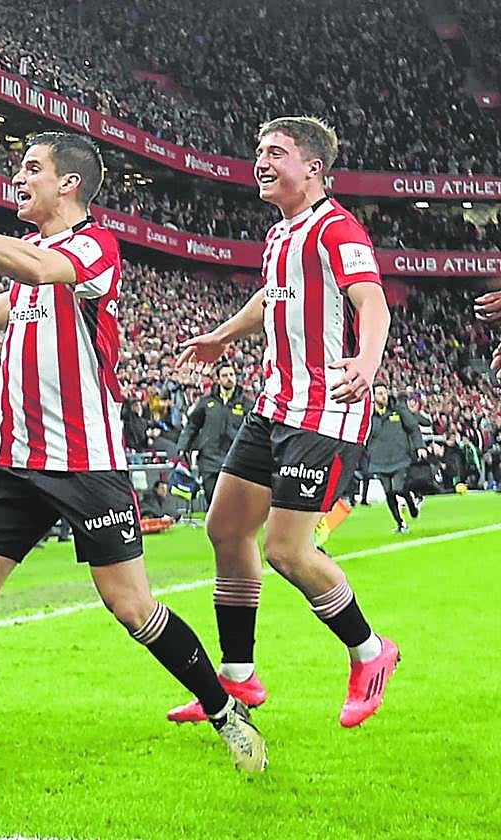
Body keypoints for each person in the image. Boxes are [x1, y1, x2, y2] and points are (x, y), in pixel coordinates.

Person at [0, 131, 266, 776]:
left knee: (131, 606)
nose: (18, 178)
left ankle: (223, 711)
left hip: (85, 461)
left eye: (30, 168)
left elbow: (44, 274)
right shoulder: (36, 251)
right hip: (15, 461)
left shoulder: (95, 245)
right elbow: (21, 296)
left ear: (68, 183)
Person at [169, 116, 399, 729]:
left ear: (313, 168)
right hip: (274, 406)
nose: (261, 162)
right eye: (259, 151)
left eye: (276, 152)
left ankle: (370, 651)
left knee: (287, 549)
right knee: (225, 528)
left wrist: (367, 361)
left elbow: (371, 300)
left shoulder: (336, 228)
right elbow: (271, 300)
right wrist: (221, 335)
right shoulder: (279, 235)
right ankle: (237, 676)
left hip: (324, 411)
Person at [175, 363, 253, 505]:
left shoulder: (247, 404)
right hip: (209, 461)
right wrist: (182, 446)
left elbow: (254, 432)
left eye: (231, 375)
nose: (229, 378)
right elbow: (192, 425)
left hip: (235, 461)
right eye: (225, 375)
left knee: (233, 504)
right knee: (213, 502)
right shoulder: (207, 402)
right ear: (218, 379)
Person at [366, 384, 427, 533]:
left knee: (398, 488)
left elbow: (413, 427)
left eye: (385, 393)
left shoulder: (398, 410)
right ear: (373, 397)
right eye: (380, 393)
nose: (384, 396)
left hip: (400, 457)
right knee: (389, 493)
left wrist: (420, 446)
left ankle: (411, 501)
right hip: (379, 460)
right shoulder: (368, 415)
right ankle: (400, 523)